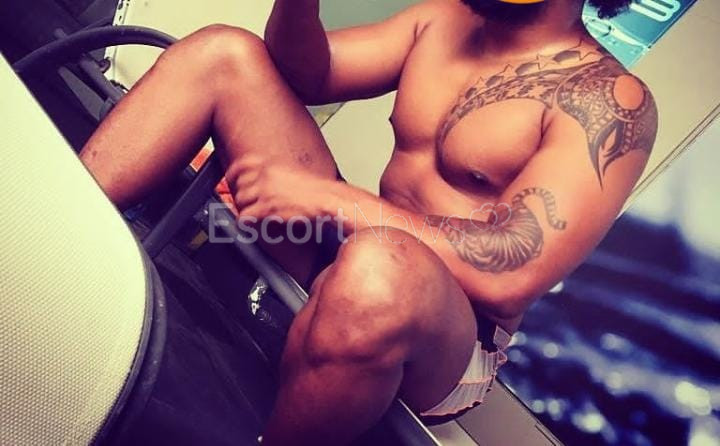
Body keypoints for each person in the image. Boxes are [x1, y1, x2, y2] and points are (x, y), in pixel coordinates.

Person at [79, 0, 658, 444]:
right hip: (347, 251)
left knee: (381, 269)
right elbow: (309, 74)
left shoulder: (608, 100)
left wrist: (328, 199)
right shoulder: (443, 20)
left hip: (445, 337)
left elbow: (511, 271)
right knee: (223, 54)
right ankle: (51, 237)